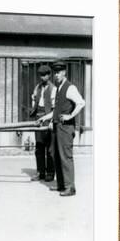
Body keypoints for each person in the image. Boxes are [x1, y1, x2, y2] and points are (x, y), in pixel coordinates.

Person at [38, 62, 85, 197]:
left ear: (64, 72)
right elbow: (56, 111)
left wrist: (70, 115)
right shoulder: (59, 88)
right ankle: (61, 185)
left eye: (59, 72)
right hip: (57, 126)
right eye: (55, 72)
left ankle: (70, 187)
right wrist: (44, 118)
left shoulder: (70, 88)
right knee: (56, 156)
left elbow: (81, 103)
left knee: (65, 157)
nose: (56, 75)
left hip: (66, 128)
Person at [29, 65, 56, 182]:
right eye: (41, 75)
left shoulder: (53, 88)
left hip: (48, 117)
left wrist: (50, 120)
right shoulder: (38, 87)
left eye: (45, 75)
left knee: (50, 148)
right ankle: (41, 172)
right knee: (39, 147)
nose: (42, 77)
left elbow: (55, 108)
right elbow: (34, 98)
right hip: (38, 117)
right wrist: (33, 106)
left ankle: (50, 173)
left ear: (49, 75)